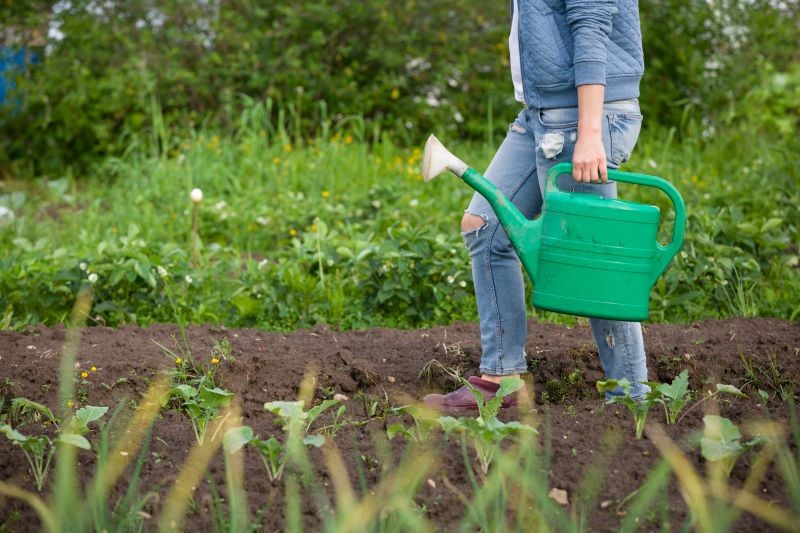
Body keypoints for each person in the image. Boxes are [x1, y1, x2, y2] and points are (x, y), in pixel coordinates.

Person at [424, 0, 650, 411]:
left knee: (593, 262)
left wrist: (589, 133)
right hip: (540, 115)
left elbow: (592, 21)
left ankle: (630, 398)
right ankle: (501, 380)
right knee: (485, 226)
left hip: (580, 119)